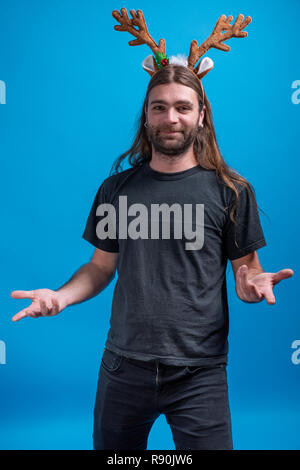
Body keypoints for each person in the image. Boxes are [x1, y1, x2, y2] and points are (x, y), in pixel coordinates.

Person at [11, 11, 294, 451]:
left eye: (183, 107)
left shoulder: (232, 192)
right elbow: (101, 267)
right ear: (146, 115)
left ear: (202, 116)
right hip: (123, 367)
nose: (170, 117)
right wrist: (59, 297)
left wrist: (253, 284)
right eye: (158, 107)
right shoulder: (117, 189)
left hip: (199, 373)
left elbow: (246, 274)